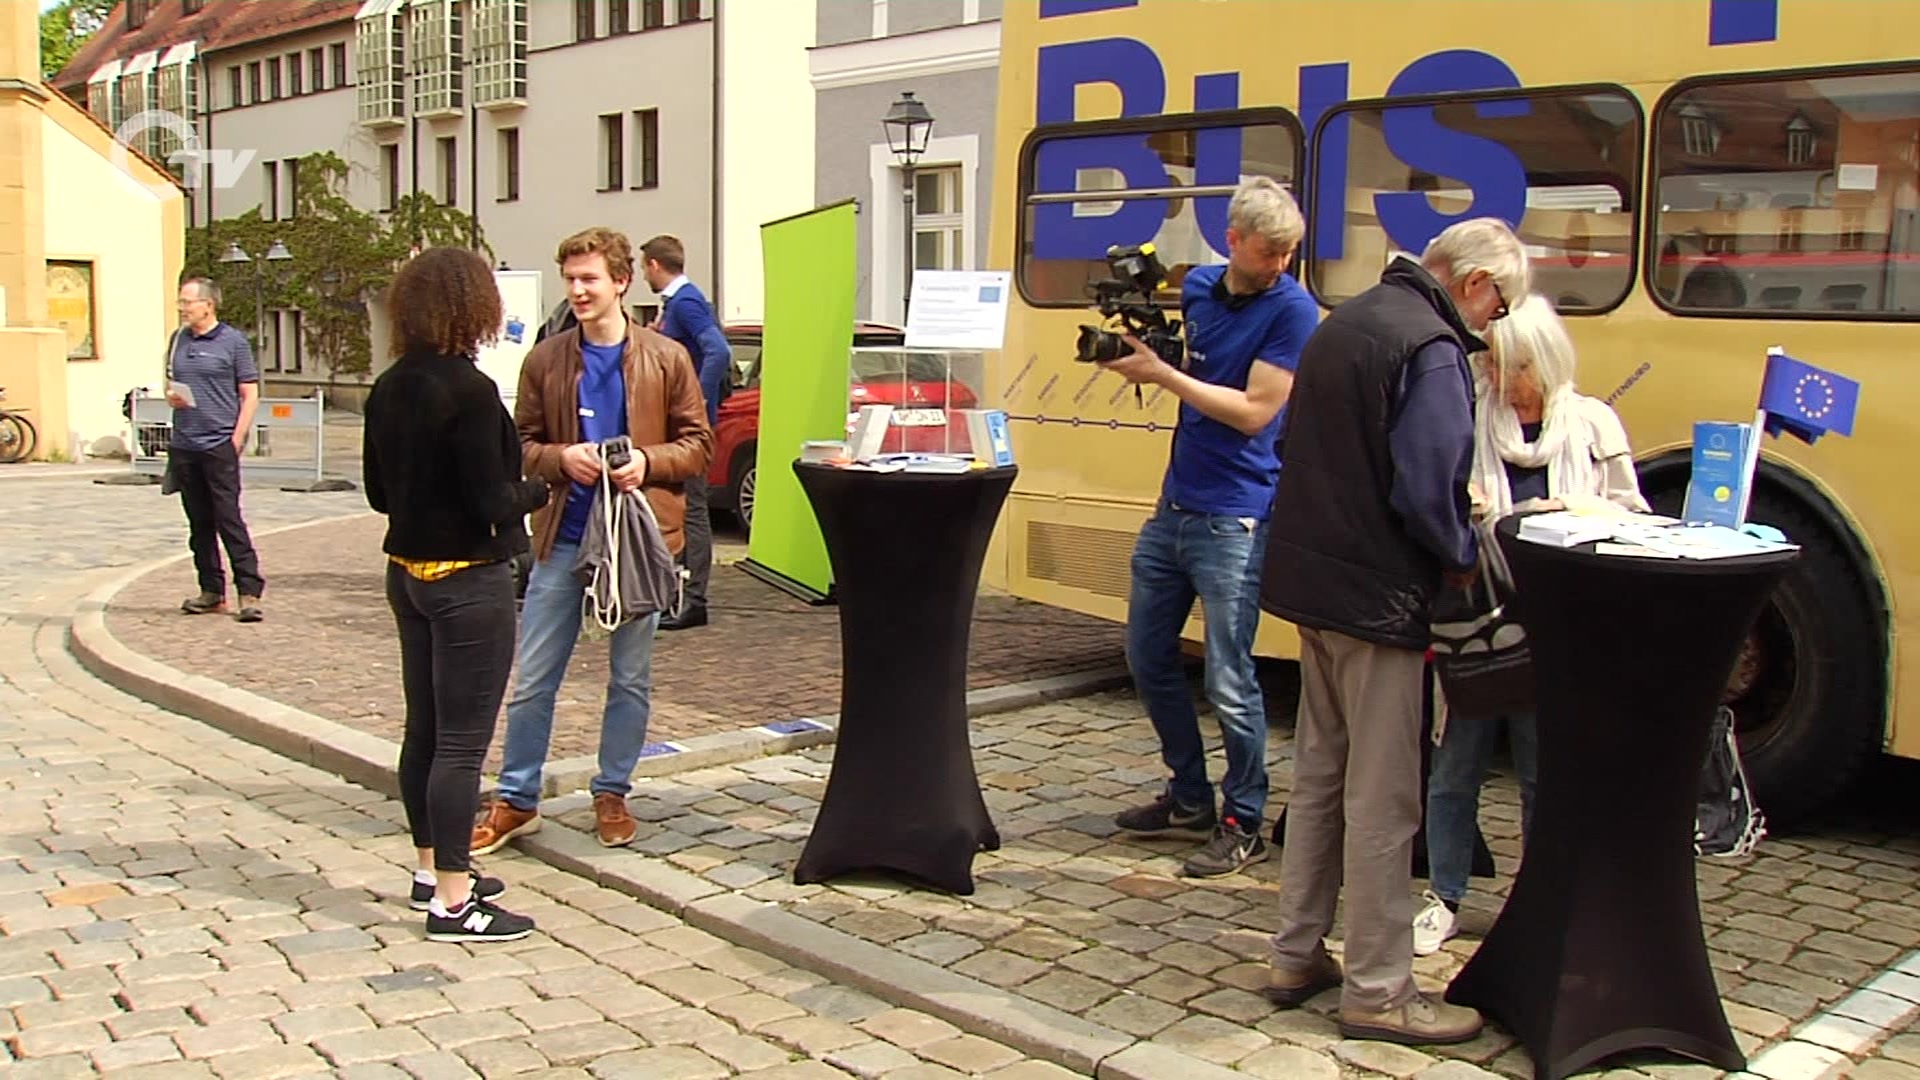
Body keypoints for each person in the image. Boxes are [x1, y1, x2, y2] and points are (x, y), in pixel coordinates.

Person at [1258, 217, 1530, 1045]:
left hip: (1316, 588)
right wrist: (1460, 554)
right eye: (1500, 305)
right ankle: (1379, 990)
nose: (1496, 323)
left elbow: (1295, 444)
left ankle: (1295, 953)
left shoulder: (1347, 321)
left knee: (1320, 778)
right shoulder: (1431, 347)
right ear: (1474, 282)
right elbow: (1426, 491)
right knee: (1383, 798)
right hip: (1379, 599)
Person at [1414, 292, 1649, 955]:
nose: (1494, 377)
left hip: (1557, 628)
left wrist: (1573, 511)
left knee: (1544, 771)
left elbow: (1632, 514)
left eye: (1505, 365)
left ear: (1538, 364)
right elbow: (1438, 506)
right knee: (1455, 767)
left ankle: (1541, 897)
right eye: (1490, 364)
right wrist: (1473, 512)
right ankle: (1445, 895)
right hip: (1477, 624)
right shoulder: (1469, 417)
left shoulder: (1592, 424)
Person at [1098, 177, 1320, 878]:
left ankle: (1242, 818)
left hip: (1237, 515)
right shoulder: (1197, 288)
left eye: (1288, 252)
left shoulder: (1294, 310)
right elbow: (1191, 369)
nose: (1280, 263)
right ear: (1233, 240)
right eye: (1269, 251)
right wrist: (1143, 362)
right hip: (1176, 506)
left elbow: (1255, 413)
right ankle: (1189, 796)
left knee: (1229, 676)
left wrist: (1162, 376)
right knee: (1146, 655)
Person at [472, 226, 712, 855]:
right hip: (564, 536)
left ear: (621, 283)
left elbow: (698, 444)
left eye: (589, 279)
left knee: (629, 678)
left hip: (637, 541)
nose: (578, 291)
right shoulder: (547, 359)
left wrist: (648, 462)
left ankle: (612, 791)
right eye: (571, 280)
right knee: (534, 678)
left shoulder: (666, 357)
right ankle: (517, 799)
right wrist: (562, 458)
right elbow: (520, 446)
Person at [363, 247, 552, 942]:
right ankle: (453, 901)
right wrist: (540, 488)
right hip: (468, 580)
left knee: (424, 731)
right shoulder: (469, 391)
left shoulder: (388, 387)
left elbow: (377, 493)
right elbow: (492, 502)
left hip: (407, 573)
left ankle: (427, 869)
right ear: (474, 308)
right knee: (462, 747)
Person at [641, 234, 732, 631]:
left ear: (654, 265)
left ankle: (693, 599)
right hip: (676, 422)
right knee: (674, 505)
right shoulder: (678, 305)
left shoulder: (686, 302)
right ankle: (675, 594)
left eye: (644, 268)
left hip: (687, 426)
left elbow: (718, 350)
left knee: (692, 508)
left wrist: (696, 397)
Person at [167, 277, 265, 623]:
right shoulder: (178, 339)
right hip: (185, 443)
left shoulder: (233, 342)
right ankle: (211, 591)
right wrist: (172, 397)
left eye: (187, 302)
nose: (182, 308)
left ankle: (249, 591)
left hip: (219, 442)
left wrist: (237, 438)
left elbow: (249, 393)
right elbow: (171, 381)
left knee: (228, 519)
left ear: (208, 305)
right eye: (180, 302)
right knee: (199, 523)